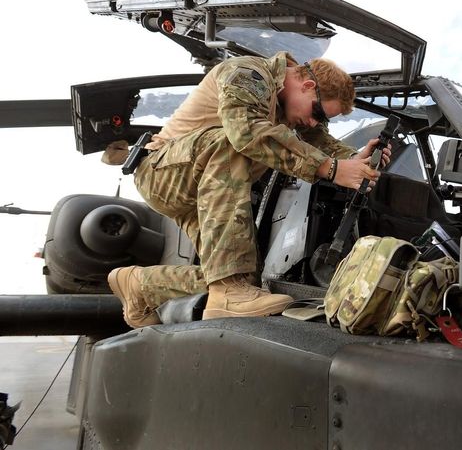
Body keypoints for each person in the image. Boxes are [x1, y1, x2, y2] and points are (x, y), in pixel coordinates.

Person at [107, 51, 391, 328]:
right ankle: (226, 295)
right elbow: (246, 133)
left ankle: (139, 286)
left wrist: (354, 159)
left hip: (205, 187)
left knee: (243, 276)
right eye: (318, 112)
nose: (314, 122)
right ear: (307, 85)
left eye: (323, 119)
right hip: (162, 173)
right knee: (230, 142)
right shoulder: (249, 73)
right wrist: (331, 169)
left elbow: (318, 140)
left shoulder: (290, 106)